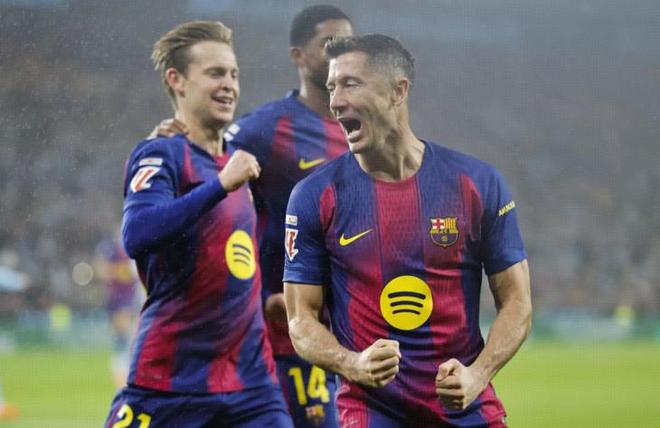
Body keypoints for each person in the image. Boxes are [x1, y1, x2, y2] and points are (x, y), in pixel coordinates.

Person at [283, 34, 532, 427]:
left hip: (465, 409)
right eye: (331, 87)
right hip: (371, 413)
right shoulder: (314, 196)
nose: (335, 101)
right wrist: (352, 363)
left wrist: (478, 374)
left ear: (398, 91)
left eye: (351, 84)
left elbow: (517, 302)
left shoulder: (476, 183)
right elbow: (300, 320)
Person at [152, 6, 353, 427]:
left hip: (355, 336)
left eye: (348, 43)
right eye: (329, 44)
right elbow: (202, 173)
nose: (342, 52)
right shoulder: (266, 130)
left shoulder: (366, 130)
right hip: (285, 340)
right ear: (298, 56)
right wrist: (169, 142)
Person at [104, 21, 292, 427]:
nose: (229, 85)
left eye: (234, 74)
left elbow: (234, 260)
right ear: (177, 80)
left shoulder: (241, 163)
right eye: (215, 73)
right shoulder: (162, 154)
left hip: (252, 386)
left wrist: (267, 300)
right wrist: (220, 186)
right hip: (171, 381)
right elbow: (137, 234)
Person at [95, 227, 141, 388]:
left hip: (132, 300)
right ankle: (122, 380)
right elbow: (102, 270)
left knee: (130, 338)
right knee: (123, 338)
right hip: (119, 300)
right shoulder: (111, 250)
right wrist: (119, 272)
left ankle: (126, 377)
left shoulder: (135, 249)